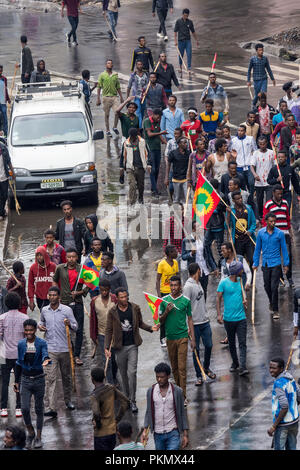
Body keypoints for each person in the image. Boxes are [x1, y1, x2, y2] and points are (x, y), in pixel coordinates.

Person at [105, 287, 159, 413]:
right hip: (119, 347)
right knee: (123, 375)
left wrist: (151, 328)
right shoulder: (112, 311)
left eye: (126, 297)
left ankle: (133, 400)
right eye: (122, 297)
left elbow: (140, 323)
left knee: (132, 372)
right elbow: (108, 330)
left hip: (132, 345)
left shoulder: (135, 308)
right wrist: (106, 347)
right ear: (117, 299)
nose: (124, 299)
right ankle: (127, 398)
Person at [38, 286, 78, 418]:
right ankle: (51, 407)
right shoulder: (44, 310)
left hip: (65, 349)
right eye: (50, 295)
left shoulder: (66, 310)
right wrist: (40, 326)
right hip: (50, 350)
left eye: (54, 295)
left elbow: (76, 326)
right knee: (51, 378)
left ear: (59, 297)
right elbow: (41, 321)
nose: (52, 297)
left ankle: (68, 400)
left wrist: (69, 324)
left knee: (66, 377)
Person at [14, 318, 51, 449]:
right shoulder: (21, 344)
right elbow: (18, 363)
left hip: (39, 379)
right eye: (26, 330)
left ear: (35, 330)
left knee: (39, 408)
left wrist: (46, 359)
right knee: (24, 408)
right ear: (24, 331)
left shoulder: (41, 343)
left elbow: (45, 354)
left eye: (31, 330)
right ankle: (30, 431)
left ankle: (39, 437)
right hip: (25, 380)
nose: (28, 332)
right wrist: (16, 382)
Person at [159, 276, 195, 404]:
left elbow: (190, 319)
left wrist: (193, 339)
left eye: (176, 285)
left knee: (181, 367)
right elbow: (160, 320)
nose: (173, 288)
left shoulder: (185, 301)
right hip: (170, 338)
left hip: (182, 337)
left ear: (180, 287)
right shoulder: (164, 301)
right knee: (174, 368)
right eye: (171, 285)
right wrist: (167, 311)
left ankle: (183, 396)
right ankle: (178, 392)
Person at [52, 248, 89, 365]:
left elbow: (92, 283)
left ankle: (77, 355)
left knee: (78, 329)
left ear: (77, 257)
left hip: (78, 303)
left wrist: (80, 292)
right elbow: (54, 281)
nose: (71, 259)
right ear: (66, 258)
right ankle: (70, 351)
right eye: (69, 257)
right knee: (64, 328)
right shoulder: (60, 268)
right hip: (64, 303)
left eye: (73, 257)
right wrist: (56, 294)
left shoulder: (82, 269)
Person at [142, 362, 188, 449]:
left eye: (162, 377)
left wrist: (185, 435)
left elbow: (182, 413)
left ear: (168, 376)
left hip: (173, 432)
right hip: (158, 434)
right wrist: (145, 431)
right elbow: (148, 412)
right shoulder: (150, 391)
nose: (159, 379)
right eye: (157, 377)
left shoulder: (177, 391)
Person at [183, 263, 216, 384]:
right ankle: (199, 375)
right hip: (194, 324)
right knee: (195, 349)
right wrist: (188, 326)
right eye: (200, 270)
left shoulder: (199, 283)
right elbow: (185, 306)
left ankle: (206, 368)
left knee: (209, 345)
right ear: (198, 271)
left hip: (205, 321)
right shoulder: (188, 287)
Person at [253, 212, 289, 319]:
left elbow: (284, 249)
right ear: (266, 221)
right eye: (271, 221)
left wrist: (286, 264)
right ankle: (271, 302)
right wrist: (255, 263)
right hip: (265, 263)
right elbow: (257, 249)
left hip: (276, 263)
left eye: (274, 221)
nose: (273, 223)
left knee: (274, 287)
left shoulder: (279, 234)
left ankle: (276, 310)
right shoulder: (260, 233)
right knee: (266, 286)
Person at [217, 261, 248, 375]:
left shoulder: (240, 282)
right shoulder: (223, 283)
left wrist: (245, 301)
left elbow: (243, 295)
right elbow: (218, 299)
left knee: (242, 342)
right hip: (228, 319)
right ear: (236, 271)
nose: (242, 271)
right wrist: (219, 314)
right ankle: (235, 362)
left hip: (241, 318)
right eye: (241, 269)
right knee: (231, 343)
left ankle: (243, 366)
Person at [0, 292, 27, 418]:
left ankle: (3, 408)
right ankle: (18, 408)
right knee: (18, 381)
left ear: (6, 303)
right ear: (18, 303)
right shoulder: (24, 318)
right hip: (19, 355)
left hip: (4, 355)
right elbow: (27, 337)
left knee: (4, 382)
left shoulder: (2, 318)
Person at [91, 367, 130, 451]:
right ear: (104, 377)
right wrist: (117, 419)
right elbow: (126, 402)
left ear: (92, 379)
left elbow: (96, 413)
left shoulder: (95, 395)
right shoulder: (111, 388)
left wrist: (98, 425)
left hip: (100, 434)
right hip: (112, 430)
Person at [262, 185, 293, 287]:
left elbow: (287, 218)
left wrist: (290, 230)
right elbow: (264, 221)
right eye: (278, 194)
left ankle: (289, 277)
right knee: (277, 257)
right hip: (274, 235)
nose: (280, 196)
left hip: (285, 234)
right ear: (273, 193)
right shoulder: (268, 205)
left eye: (281, 194)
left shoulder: (285, 203)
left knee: (288, 256)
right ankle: (280, 278)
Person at [268, 358, 300, 450]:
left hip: (283, 424)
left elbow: (284, 407)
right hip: (294, 422)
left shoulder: (278, 384)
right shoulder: (290, 378)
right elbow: (299, 397)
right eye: (270, 367)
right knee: (292, 447)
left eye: (274, 368)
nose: (271, 370)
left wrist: (274, 427)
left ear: (281, 369)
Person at [181, 220, 217, 300]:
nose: (200, 228)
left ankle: (203, 309)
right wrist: (191, 253)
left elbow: (209, 255)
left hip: (204, 270)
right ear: (193, 230)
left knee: (204, 291)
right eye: (198, 227)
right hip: (194, 272)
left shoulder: (203, 240)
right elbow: (183, 256)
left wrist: (214, 268)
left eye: (200, 226)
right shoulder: (187, 240)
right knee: (195, 292)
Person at [90, 279, 117, 384]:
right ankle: (110, 383)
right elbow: (93, 320)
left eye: (106, 290)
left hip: (114, 334)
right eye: (102, 290)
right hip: (102, 334)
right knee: (107, 359)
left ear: (109, 289)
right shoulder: (94, 301)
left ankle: (114, 377)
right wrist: (94, 336)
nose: (104, 292)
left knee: (114, 359)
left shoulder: (114, 299)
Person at [156, 244, 179, 348]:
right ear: (169, 254)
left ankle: (174, 334)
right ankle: (162, 338)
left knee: (175, 313)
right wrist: (159, 295)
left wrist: (179, 289)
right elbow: (157, 280)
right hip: (164, 293)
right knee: (164, 316)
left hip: (174, 292)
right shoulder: (161, 264)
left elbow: (178, 277)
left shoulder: (175, 263)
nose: (177, 252)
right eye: (175, 251)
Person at [226, 191, 256, 268]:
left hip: (248, 239)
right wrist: (228, 214)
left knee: (252, 260)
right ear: (233, 201)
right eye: (237, 199)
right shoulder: (231, 210)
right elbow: (227, 226)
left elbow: (253, 222)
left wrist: (250, 231)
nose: (240, 200)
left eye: (240, 198)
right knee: (239, 262)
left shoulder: (248, 208)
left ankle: (252, 277)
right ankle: (243, 278)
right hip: (238, 240)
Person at [121, 127, 151, 206]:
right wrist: (121, 167)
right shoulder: (126, 143)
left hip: (141, 167)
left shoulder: (142, 142)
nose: (132, 138)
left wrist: (149, 164)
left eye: (134, 136)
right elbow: (122, 155)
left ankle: (140, 198)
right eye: (131, 136)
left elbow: (148, 153)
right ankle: (132, 202)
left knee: (141, 185)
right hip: (130, 167)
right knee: (132, 185)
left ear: (136, 135)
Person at [96, 59, 124, 138]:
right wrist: (98, 98)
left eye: (111, 63)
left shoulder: (115, 75)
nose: (109, 64)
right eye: (108, 63)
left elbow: (118, 86)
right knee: (107, 115)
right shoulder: (102, 75)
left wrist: (121, 97)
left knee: (117, 112)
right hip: (106, 97)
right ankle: (107, 130)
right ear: (106, 65)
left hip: (114, 97)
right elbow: (99, 87)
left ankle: (114, 127)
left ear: (112, 66)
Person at [143, 109, 167, 197]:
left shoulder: (157, 122)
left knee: (157, 169)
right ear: (153, 114)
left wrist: (166, 142)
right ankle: (155, 190)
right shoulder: (147, 121)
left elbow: (159, 135)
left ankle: (154, 188)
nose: (159, 119)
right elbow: (149, 134)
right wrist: (161, 132)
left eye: (160, 117)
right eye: (158, 116)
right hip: (150, 149)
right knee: (152, 170)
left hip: (157, 148)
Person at [250, 135, 274, 219]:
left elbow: (275, 165)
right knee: (259, 201)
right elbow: (252, 166)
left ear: (266, 143)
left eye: (264, 143)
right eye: (260, 144)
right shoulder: (255, 153)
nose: (262, 145)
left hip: (269, 181)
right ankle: (260, 216)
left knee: (268, 201)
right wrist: (255, 175)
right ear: (258, 144)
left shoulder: (271, 152)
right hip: (259, 181)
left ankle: (267, 216)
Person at [204, 178, 226, 267]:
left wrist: (210, 208)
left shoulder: (221, 196)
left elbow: (221, 209)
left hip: (218, 225)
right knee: (206, 245)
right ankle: (211, 264)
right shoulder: (207, 195)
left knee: (220, 248)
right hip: (209, 225)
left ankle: (222, 264)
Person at [231, 124, 257, 200]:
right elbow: (232, 152)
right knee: (242, 185)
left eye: (242, 131)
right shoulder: (234, 141)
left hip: (249, 166)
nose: (240, 132)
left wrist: (253, 161)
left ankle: (251, 197)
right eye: (239, 130)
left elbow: (255, 150)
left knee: (251, 183)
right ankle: (244, 199)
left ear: (245, 131)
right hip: (239, 166)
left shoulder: (250, 139)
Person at [28, 246, 56, 312]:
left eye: (41, 255)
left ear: (45, 255)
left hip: (52, 297)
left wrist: (59, 297)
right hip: (39, 297)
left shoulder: (53, 266)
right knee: (43, 314)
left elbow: (58, 282)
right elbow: (30, 284)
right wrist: (31, 300)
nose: (39, 257)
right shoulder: (33, 268)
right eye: (37, 255)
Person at [165, 136, 190, 204]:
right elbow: (168, 165)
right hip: (176, 179)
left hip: (186, 179)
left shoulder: (189, 153)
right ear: (179, 144)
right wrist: (166, 177)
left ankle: (186, 213)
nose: (186, 144)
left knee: (187, 199)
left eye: (186, 143)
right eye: (184, 143)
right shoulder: (173, 153)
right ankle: (177, 213)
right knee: (177, 199)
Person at [174, 8, 199, 74]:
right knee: (180, 54)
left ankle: (189, 68)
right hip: (180, 41)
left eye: (187, 16)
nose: (186, 17)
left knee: (189, 54)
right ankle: (180, 67)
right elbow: (175, 31)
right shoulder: (178, 21)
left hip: (188, 41)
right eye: (185, 15)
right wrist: (175, 41)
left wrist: (196, 40)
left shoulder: (190, 22)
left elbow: (193, 31)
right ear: (182, 14)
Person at [127, 60, 149, 128]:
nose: (140, 66)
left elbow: (148, 84)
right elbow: (129, 86)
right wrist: (128, 98)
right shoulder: (133, 75)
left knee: (142, 112)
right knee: (138, 112)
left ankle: (140, 125)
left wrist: (146, 90)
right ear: (136, 66)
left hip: (144, 96)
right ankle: (139, 128)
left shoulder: (146, 74)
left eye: (141, 64)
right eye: (138, 64)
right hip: (136, 97)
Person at [0, 139, 15, 220]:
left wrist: (13, 173)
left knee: (4, 196)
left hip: (3, 177)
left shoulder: (3, 147)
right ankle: (1, 213)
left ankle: (2, 212)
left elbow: (9, 161)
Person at [0, 65, 10, 137]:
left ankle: (6, 134)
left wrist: (8, 99)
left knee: (4, 118)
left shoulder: (4, 79)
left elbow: (5, 90)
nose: (0, 72)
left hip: (3, 102)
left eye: (1, 70)